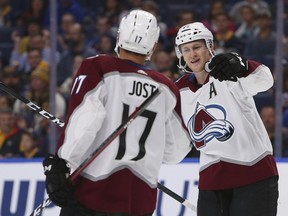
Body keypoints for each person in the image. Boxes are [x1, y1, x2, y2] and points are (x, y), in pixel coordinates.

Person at [42, 9, 191, 216]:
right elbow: (177, 151)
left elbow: (84, 123)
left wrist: (62, 162)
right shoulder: (167, 87)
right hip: (139, 202)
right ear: (153, 46)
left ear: (119, 36)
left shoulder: (98, 66)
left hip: (92, 194)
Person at [175, 22, 278, 216]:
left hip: (253, 175)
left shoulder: (228, 73)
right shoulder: (178, 92)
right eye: (186, 49)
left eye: (197, 47)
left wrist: (243, 65)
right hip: (211, 183)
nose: (192, 54)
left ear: (209, 47)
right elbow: (178, 145)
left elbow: (266, 80)